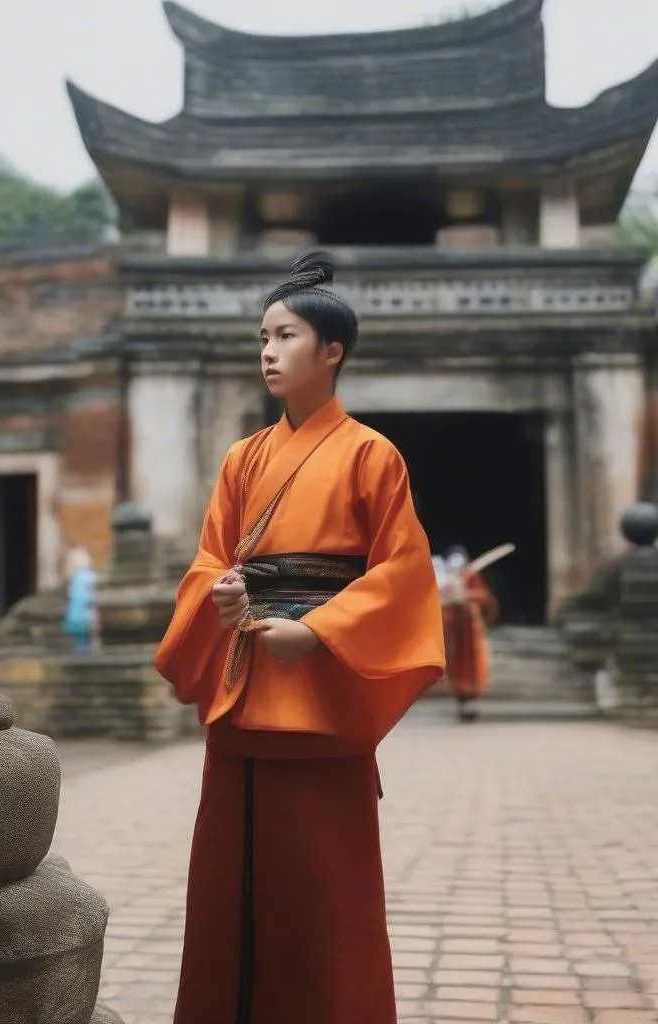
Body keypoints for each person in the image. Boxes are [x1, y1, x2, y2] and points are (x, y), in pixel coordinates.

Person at [155, 249, 445, 1024]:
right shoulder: (242, 457)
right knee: (229, 876)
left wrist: (317, 630)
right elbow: (213, 555)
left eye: (284, 336)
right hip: (247, 673)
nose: (269, 353)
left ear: (332, 350)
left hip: (317, 686)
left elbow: (402, 573)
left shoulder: (371, 454)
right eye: (261, 339)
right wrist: (217, 598)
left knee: (323, 881)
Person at [440, 544, 499, 722]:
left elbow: (484, 597)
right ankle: (461, 702)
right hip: (452, 630)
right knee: (455, 664)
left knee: (472, 664)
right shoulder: (445, 577)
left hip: (469, 629)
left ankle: (472, 703)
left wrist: (466, 595)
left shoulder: (472, 577)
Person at [62, 547, 98, 653]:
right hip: (89, 617)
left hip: (78, 619)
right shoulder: (91, 576)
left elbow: (76, 601)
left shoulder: (77, 579)